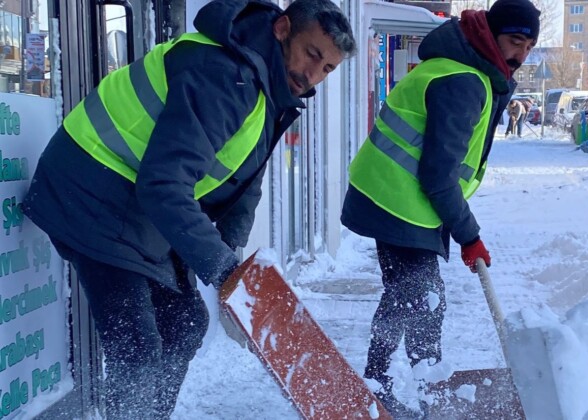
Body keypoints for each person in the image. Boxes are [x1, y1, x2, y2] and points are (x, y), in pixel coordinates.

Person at [21, 0, 355, 418]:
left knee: (184, 326)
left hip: (132, 202)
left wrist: (231, 264)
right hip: (89, 193)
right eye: (312, 53)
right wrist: (221, 268)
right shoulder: (225, 77)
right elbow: (163, 185)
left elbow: (244, 185)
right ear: (283, 29)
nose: (312, 76)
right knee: (137, 350)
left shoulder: (267, 87)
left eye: (327, 68)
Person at [341, 0, 539, 416]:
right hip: (398, 201)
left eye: (528, 46)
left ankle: (377, 384)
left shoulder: (468, 70)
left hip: (400, 199)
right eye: (514, 41)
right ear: (491, 35)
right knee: (424, 301)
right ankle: (432, 398)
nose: (520, 54)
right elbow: (438, 174)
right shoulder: (463, 81)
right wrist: (469, 234)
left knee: (404, 296)